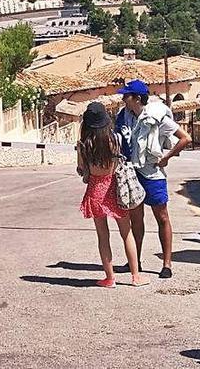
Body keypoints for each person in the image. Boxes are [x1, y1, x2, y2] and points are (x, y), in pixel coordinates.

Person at [114, 79, 191, 279]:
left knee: (162, 217)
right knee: (136, 219)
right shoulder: (123, 117)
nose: (123, 99)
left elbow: (185, 138)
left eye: (126, 96)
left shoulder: (157, 117)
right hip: (132, 173)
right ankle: (134, 261)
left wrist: (167, 157)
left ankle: (167, 264)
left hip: (153, 175)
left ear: (137, 98)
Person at [77, 102, 149, 288]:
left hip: (95, 192)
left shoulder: (84, 145)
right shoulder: (114, 140)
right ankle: (135, 276)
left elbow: (81, 169)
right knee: (127, 233)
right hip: (115, 190)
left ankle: (110, 278)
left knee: (103, 236)